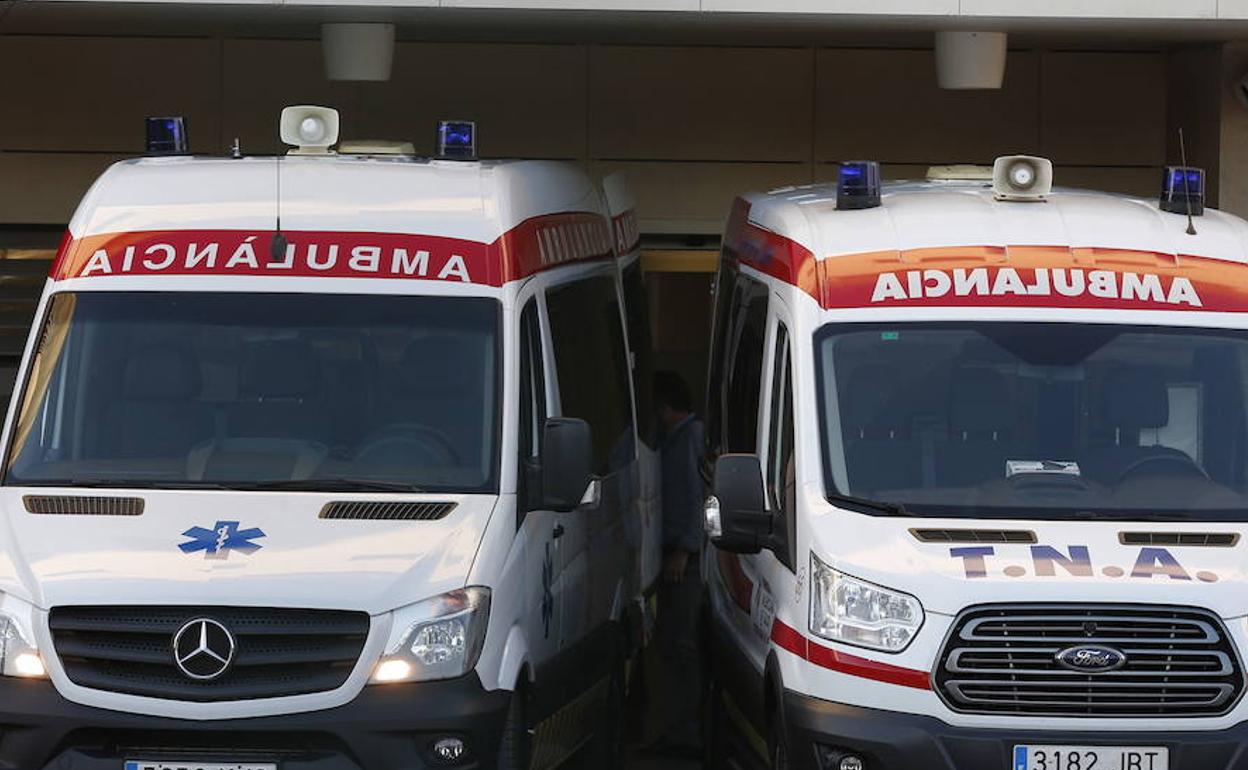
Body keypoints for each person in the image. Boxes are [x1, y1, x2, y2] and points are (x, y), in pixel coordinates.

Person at [652, 369, 705, 755]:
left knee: (684, 645)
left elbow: (698, 497)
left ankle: (689, 733)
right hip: (671, 555)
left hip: (685, 560)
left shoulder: (691, 438)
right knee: (670, 643)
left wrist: (684, 550)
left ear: (665, 407)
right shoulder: (672, 439)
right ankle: (676, 729)